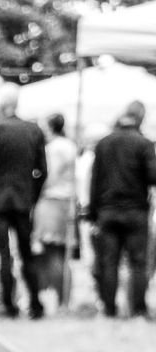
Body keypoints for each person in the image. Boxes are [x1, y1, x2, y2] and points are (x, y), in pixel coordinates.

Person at [0, 83, 47, 319]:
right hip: (23, 200)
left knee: (4, 254)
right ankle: (35, 303)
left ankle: (8, 304)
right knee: (26, 253)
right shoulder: (33, 130)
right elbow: (42, 171)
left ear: (2, 104)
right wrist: (32, 195)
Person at [88, 101, 156, 318]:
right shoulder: (144, 144)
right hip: (135, 210)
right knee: (138, 262)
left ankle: (109, 309)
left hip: (107, 211)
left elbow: (95, 181)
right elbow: (153, 176)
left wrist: (92, 213)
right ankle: (138, 310)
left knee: (109, 262)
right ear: (140, 118)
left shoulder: (103, 143)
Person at [32, 113, 78, 309]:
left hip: (53, 201)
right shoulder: (69, 146)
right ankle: (59, 298)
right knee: (56, 251)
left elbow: (49, 176)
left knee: (52, 251)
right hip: (64, 201)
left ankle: (59, 299)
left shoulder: (56, 148)